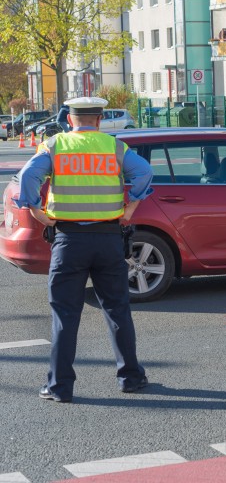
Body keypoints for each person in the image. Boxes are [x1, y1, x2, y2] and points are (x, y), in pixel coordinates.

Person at [14, 96, 153, 403]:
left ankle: (59, 387)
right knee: (117, 309)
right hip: (108, 240)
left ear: (70, 120)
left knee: (65, 314)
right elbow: (143, 173)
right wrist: (131, 207)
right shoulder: (114, 147)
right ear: (99, 120)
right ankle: (130, 377)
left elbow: (27, 177)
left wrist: (36, 210)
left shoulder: (55, 146)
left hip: (69, 240)